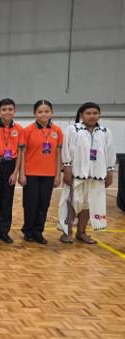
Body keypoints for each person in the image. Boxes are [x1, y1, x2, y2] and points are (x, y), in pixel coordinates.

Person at [58, 102, 115, 244]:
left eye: (95, 113)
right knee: (72, 203)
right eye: (88, 113)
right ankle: (67, 232)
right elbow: (66, 150)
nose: (92, 116)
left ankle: (81, 232)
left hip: (97, 175)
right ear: (81, 115)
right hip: (77, 174)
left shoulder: (105, 132)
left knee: (89, 205)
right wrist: (67, 168)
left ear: (99, 115)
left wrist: (110, 171)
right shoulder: (73, 129)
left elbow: (110, 152)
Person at [19, 100, 63, 244]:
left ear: (52, 113)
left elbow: (58, 154)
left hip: (49, 174)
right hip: (31, 174)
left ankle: (38, 232)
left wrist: (58, 175)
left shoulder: (57, 131)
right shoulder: (27, 130)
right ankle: (28, 231)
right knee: (30, 204)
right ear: (34, 113)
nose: (43, 114)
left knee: (44, 205)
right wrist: (22, 173)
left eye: (46, 111)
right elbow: (22, 153)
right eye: (40, 111)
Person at [0, 98, 24, 243]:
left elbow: (20, 152)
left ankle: (4, 231)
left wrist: (15, 173)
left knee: (7, 200)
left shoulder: (19, 129)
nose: (7, 112)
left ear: (14, 111)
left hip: (11, 165)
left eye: (10, 109)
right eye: (4, 109)